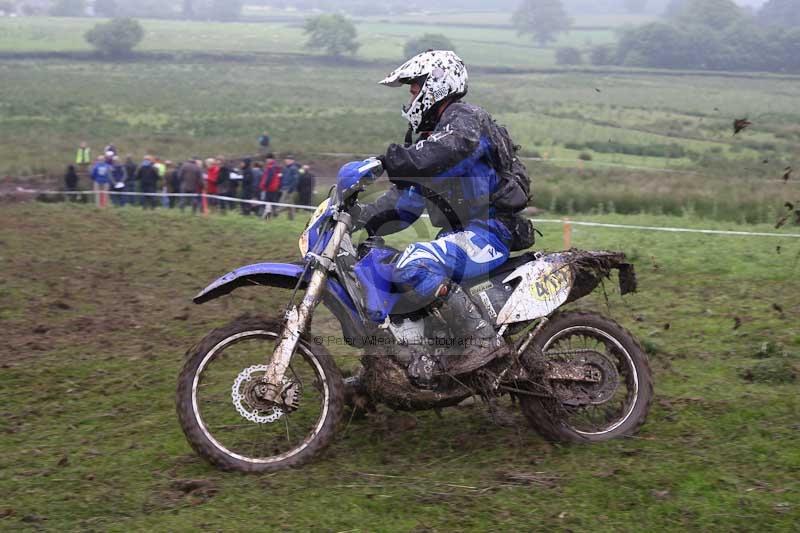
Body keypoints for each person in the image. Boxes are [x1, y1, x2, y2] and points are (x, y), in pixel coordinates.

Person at [354, 50, 533, 385]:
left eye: (415, 86)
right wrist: (358, 216)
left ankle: (482, 344)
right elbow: (405, 205)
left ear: (436, 82)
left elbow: (442, 152)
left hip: (492, 231)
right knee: (386, 264)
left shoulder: (465, 121)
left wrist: (390, 160)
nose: (411, 94)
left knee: (416, 261)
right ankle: (404, 363)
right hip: (467, 233)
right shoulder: (435, 138)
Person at [280, 156, 300, 220]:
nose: (286, 161)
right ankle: (291, 218)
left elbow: (295, 180)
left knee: (283, 203)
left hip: (289, 189)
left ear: (292, 161)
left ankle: (276, 213)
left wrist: (291, 189)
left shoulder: (294, 169)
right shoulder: (285, 168)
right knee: (290, 204)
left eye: (288, 160)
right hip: (284, 187)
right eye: (286, 160)